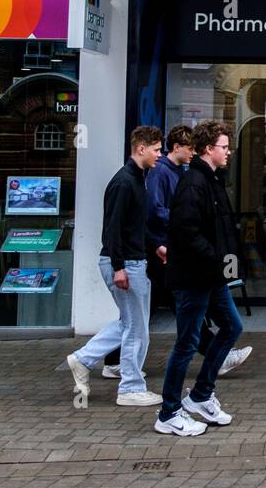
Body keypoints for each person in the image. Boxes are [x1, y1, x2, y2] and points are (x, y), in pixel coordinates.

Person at [103, 124, 251, 378]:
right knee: (156, 320)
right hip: (163, 252)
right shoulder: (158, 175)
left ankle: (107, 361)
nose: (193, 152)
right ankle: (123, 373)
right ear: (178, 147)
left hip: (163, 251)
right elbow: (149, 215)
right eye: (189, 148)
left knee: (148, 317)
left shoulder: (178, 174)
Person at [155, 121, 250, 437]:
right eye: (224, 146)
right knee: (187, 343)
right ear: (209, 148)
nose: (228, 152)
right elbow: (186, 232)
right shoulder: (195, 183)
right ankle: (168, 412)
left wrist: (228, 265)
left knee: (232, 326)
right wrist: (216, 259)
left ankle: (200, 395)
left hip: (211, 275)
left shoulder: (209, 179)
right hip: (195, 276)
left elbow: (219, 229)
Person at [65, 126, 164, 407]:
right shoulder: (124, 182)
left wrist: (155, 244)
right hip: (126, 264)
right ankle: (131, 388)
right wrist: (119, 267)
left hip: (129, 261)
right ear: (141, 149)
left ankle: (83, 359)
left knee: (129, 323)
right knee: (136, 328)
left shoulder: (136, 179)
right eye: (156, 149)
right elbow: (112, 229)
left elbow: (133, 226)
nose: (160, 154)